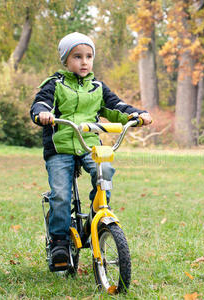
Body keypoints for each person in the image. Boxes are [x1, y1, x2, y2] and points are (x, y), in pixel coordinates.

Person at [30, 32, 152, 268]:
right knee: (61, 195)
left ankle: (98, 212)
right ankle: (59, 242)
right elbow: (41, 103)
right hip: (61, 145)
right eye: (77, 57)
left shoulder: (97, 87)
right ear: (66, 60)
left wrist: (135, 114)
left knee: (104, 170)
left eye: (89, 56)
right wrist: (43, 113)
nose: (84, 62)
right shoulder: (54, 84)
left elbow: (116, 106)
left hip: (89, 143)